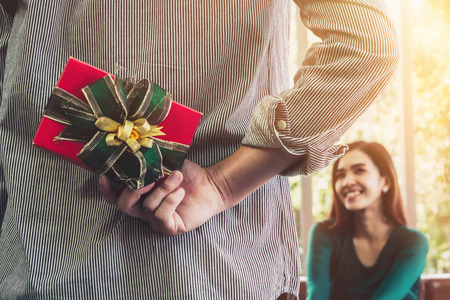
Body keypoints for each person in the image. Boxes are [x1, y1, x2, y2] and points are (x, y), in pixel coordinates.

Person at [0, 1, 399, 299]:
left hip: (57, 262)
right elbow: (367, 44)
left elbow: (365, 46)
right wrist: (224, 183)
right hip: (215, 272)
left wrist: (225, 183)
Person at [306, 141, 429, 300]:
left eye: (359, 171)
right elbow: (317, 295)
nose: (347, 181)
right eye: (340, 175)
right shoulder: (325, 234)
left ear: (386, 182)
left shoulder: (413, 242)